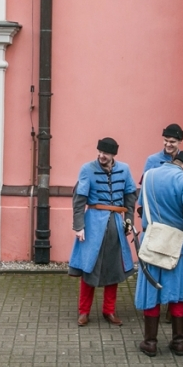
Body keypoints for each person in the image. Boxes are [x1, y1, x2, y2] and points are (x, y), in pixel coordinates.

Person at [135, 151, 183, 356]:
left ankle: (150, 342)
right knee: (178, 291)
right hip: (176, 243)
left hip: (152, 239)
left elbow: (140, 204)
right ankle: (179, 342)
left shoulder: (149, 175)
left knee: (151, 292)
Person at [68, 137, 137, 327]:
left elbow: (130, 195)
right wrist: (78, 226)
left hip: (116, 223)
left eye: (105, 153)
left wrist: (129, 219)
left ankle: (109, 310)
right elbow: (79, 200)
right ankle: (83, 312)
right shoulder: (87, 169)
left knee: (113, 269)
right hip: (93, 225)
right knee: (89, 268)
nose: (101, 156)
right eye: (99, 152)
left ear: (114, 154)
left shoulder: (124, 169)